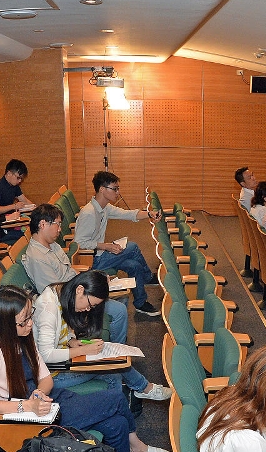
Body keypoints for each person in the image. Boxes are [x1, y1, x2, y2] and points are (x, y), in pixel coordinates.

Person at [0, 286, 170, 452]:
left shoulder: (23, 339)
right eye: (23, 321)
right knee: (115, 399)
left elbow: (46, 379)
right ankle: (136, 447)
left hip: (49, 402)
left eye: (30, 317)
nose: (30, 324)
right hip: (28, 420)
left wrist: (39, 392)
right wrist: (26, 405)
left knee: (116, 424)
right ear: (4, 324)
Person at [32, 270, 170, 401]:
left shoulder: (62, 293)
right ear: (80, 290)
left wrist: (71, 341)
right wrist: (81, 350)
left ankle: (138, 392)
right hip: (50, 375)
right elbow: (45, 354)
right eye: (90, 304)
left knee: (113, 367)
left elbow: (60, 329)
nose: (88, 309)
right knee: (113, 371)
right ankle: (140, 392)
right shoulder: (48, 309)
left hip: (61, 361)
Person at [23, 203, 130, 342]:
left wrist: (93, 278)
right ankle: (118, 353)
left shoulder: (52, 245)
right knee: (120, 310)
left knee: (122, 295)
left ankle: (115, 343)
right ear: (43, 224)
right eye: (58, 224)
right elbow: (54, 293)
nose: (60, 229)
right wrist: (87, 287)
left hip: (77, 289)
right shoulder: (37, 257)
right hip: (73, 300)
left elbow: (69, 272)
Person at [73, 171, 161, 317]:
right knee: (132, 247)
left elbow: (128, 214)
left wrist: (149, 214)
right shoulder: (89, 213)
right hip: (93, 260)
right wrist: (106, 246)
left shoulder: (104, 207)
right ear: (102, 189)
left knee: (134, 266)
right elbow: (79, 243)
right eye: (114, 189)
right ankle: (147, 278)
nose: (118, 193)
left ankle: (140, 303)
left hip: (102, 254)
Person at [0, 159, 31, 244]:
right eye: (18, 178)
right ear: (9, 173)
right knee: (26, 234)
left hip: (12, 219)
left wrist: (36, 208)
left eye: (21, 178)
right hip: (1, 225)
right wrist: (14, 206)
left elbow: (24, 200)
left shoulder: (14, 186)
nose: (20, 181)